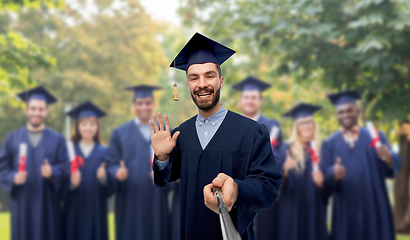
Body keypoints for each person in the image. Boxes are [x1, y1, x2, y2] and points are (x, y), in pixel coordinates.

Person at [150, 32, 283, 240]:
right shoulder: (180, 135)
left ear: (220, 80)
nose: (202, 84)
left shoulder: (251, 132)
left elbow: (269, 186)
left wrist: (237, 190)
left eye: (209, 76)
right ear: (188, 85)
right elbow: (163, 179)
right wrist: (162, 158)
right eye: (194, 78)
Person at [321, 90, 401, 240]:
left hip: (374, 202)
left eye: (349, 110)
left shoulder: (376, 136)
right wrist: (333, 172)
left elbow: (394, 163)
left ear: (357, 111)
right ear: (336, 115)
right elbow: (324, 176)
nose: (345, 115)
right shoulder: (329, 144)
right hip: (346, 205)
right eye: (341, 112)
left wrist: (389, 158)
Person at [0, 86, 70, 240]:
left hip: (48, 207)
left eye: (41, 109)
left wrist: (53, 172)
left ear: (46, 111)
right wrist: (13, 177)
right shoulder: (13, 138)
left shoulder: (57, 139)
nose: (36, 113)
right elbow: (2, 168)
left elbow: (66, 168)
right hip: (22, 205)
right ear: (26, 110)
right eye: (33, 108)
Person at [105, 85, 172, 240]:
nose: (144, 107)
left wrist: (163, 174)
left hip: (157, 201)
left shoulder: (165, 133)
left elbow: (176, 167)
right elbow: (110, 164)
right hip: (129, 201)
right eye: (139, 103)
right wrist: (116, 172)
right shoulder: (119, 134)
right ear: (133, 105)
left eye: (148, 102)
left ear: (154, 105)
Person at [258, 103, 328, 240]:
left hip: (314, 208)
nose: (306, 126)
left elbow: (329, 187)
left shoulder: (323, 149)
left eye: (308, 122)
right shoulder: (286, 149)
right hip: (291, 207)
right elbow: (276, 183)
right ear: (297, 127)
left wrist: (322, 183)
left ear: (313, 125)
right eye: (302, 123)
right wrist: (286, 171)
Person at [62, 101, 114, 240]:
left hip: (96, 211)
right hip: (73, 211)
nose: (88, 128)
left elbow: (111, 189)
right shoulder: (68, 151)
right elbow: (59, 186)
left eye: (92, 124)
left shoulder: (105, 152)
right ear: (77, 126)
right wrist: (71, 183)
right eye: (83, 124)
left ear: (97, 127)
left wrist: (103, 178)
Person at [232, 76, 283, 157]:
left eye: (254, 98)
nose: (249, 101)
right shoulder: (231, 126)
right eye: (246, 97)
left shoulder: (272, 127)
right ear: (240, 101)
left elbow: (277, 157)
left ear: (260, 101)